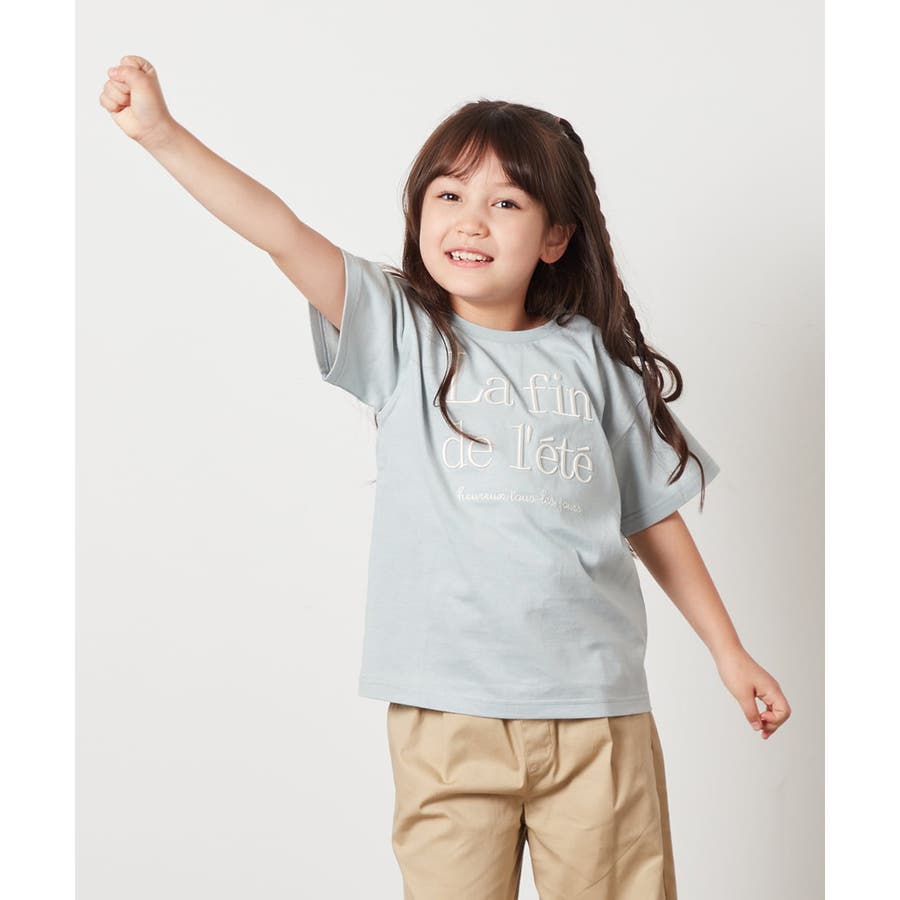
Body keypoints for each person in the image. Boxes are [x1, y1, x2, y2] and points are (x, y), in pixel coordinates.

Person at [100, 54, 792, 899]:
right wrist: (163, 135)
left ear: (555, 237)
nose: (472, 221)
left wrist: (728, 651)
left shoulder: (592, 362)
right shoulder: (399, 331)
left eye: (506, 202)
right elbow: (279, 231)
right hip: (447, 716)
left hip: (597, 714)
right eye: (449, 195)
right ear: (420, 214)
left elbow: (651, 516)